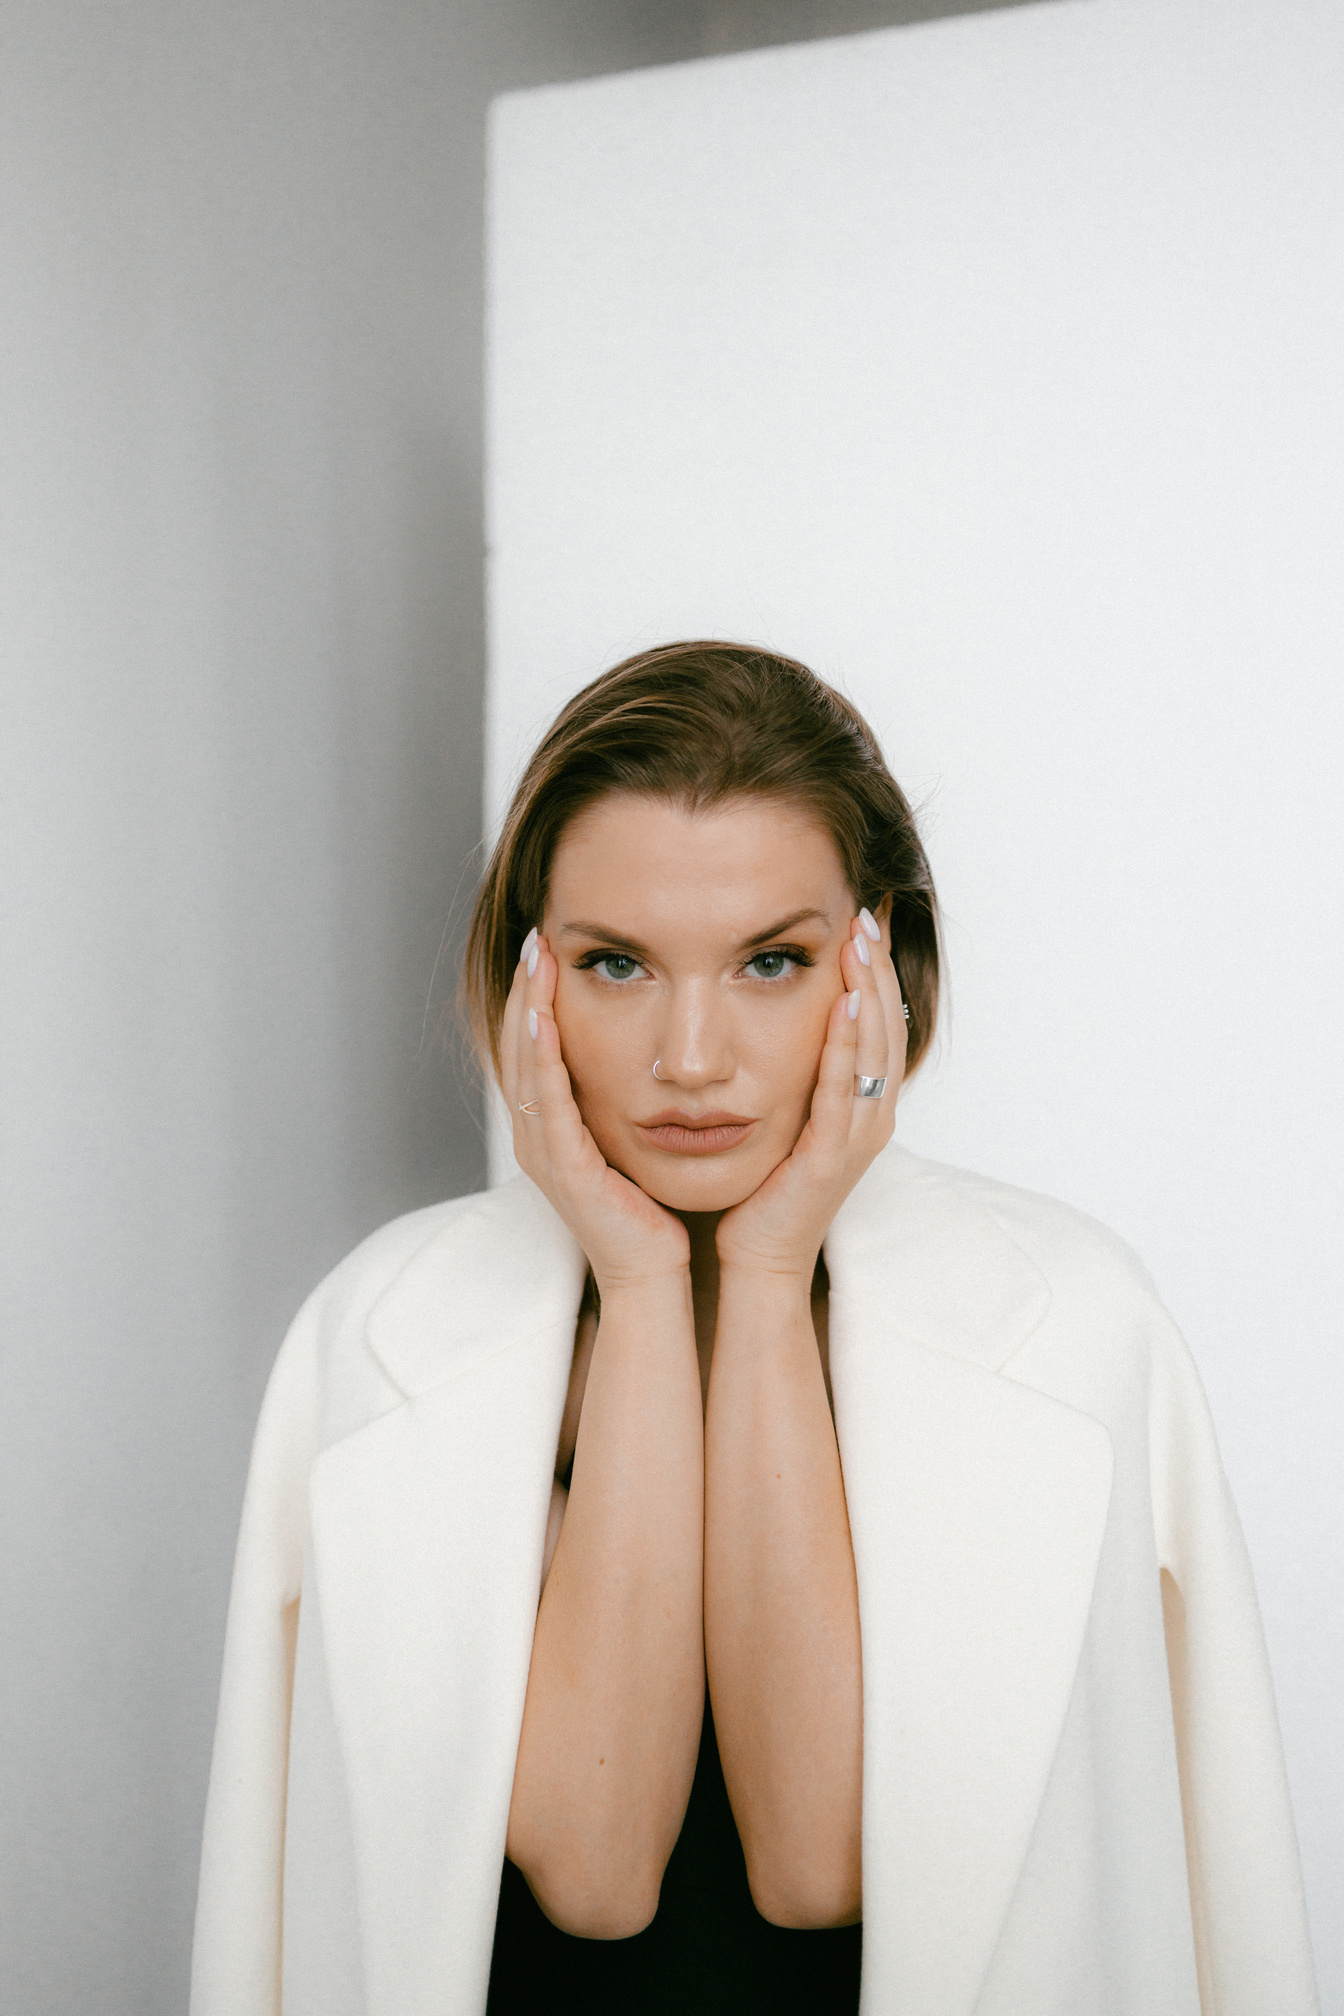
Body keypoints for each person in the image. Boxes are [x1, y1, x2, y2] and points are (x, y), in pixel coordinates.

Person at [190, 642, 1319, 2016]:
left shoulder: (1077, 1327)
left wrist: (772, 1274)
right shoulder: (381, 1334)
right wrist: (651, 1291)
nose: (691, 1060)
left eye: (771, 963)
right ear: (527, 977)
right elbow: (597, 1875)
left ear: (879, 963)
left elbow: (819, 1863)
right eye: (616, 966)